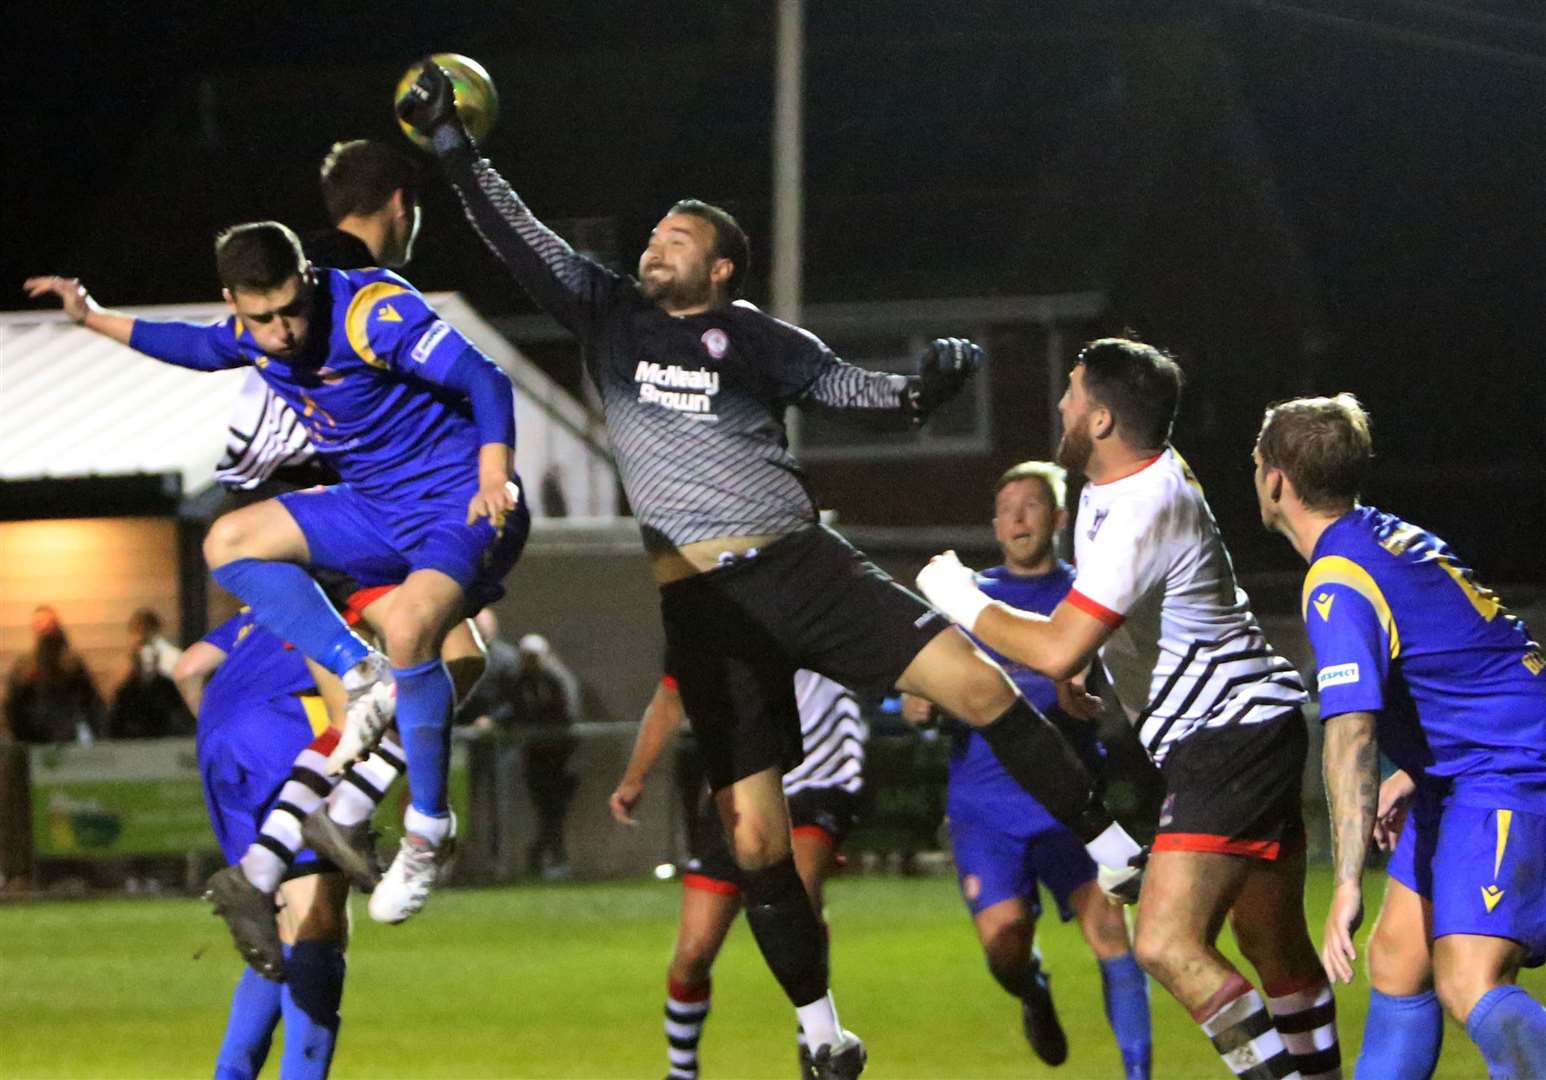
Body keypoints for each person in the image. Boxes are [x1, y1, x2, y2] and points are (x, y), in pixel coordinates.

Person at [399, 62, 1143, 1078]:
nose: (654, 245)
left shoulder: (748, 337)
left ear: (719, 273)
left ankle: (1108, 846)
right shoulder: (604, 313)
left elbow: (844, 383)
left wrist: (923, 392)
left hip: (802, 564)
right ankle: (823, 1030)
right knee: (753, 837)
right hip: (702, 604)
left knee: (974, 682)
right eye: (655, 233)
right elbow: (517, 233)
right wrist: (455, 152)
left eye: (678, 240)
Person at [25, 219, 528, 956]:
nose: (282, 331)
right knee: (228, 541)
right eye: (261, 317)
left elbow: (486, 376)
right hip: (377, 512)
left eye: (292, 309)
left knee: (430, 636)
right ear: (235, 302)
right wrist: (91, 315)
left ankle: (426, 831)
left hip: (460, 502)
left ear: (310, 280)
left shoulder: (370, 313)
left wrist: (493, 470)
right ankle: (357, 685)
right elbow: (193, 347)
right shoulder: (247, 331)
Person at [918, 340, 1340, 1080]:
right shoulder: (1120, 481)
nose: (1061, 406)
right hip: (1251, 727)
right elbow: (1126, 608)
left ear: (1103, 419)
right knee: (1273, 946)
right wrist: (1092, 656)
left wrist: (959, 595)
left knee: (1164, 943)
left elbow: (1050, 646)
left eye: (1073, 395)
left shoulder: (1144, 502)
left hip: (1226, 734)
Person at [1253, 393, 1546, 1080]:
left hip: (1511, 776)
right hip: (1466, 775)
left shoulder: (1339, 579)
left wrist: (1348, 880)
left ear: (1275, 480)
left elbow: (1351, 735)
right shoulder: (1389, 538)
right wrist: (1416, 769)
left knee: (1468, 979)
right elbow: (1481, 663)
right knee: (1396, 962)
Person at [903, 460, 1152, 1078]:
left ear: (1058, 519)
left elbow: (1126, 684)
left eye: (1031, 505)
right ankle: (1033, 991)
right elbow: (918, 700)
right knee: (1005, 949)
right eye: (1007, 506)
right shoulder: (967, 599)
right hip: (985, 810)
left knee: (1112, 937)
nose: (1016, 516)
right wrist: (921, 702)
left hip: (1070, 802)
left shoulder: (1085, 596)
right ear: (993, 524)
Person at [609, 669, 867, 1080]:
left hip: (819, 778)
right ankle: (681, 1072)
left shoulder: (813, 606)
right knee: (692, 953)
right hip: (741, 787)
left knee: (800, 893)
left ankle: (815, 1042)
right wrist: (634, 777)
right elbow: (670, 699)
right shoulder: (700, 618)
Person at [174, 608, 349, 1079]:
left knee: (276, 923)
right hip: (288, 725)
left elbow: (188, 668)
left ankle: (230, 1073)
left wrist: (233, 727)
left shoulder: (266, 605)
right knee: (318, 919)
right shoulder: (365, 586)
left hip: (219, 735)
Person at [217, 139, 422, 502]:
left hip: (260, 480)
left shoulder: (296, 266)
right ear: (399, 203)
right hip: (298, 484)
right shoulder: (355, 283)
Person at [510, 633, 579, 877]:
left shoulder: (557, 678)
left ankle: (550, 858)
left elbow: (567, 713)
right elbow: (516, 709)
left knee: (555, 811)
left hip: (562, 757)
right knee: (545, 810)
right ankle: (548, 858)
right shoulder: (522, 681)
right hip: (537, 756)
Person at [4, 605, 103, 745]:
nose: (45, 629)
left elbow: (92, 704)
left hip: (69, 741)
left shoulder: (73, 665)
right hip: (33, 743)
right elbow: (12, 706)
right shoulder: (24, 667)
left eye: (49, 624)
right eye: (40, 624)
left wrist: (93, 738)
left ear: (57, 628)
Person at [108, 609, 194, 739]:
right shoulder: (125, 666)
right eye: (138, 631)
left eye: (147, 630)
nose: (142, 636)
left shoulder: (173, 659)